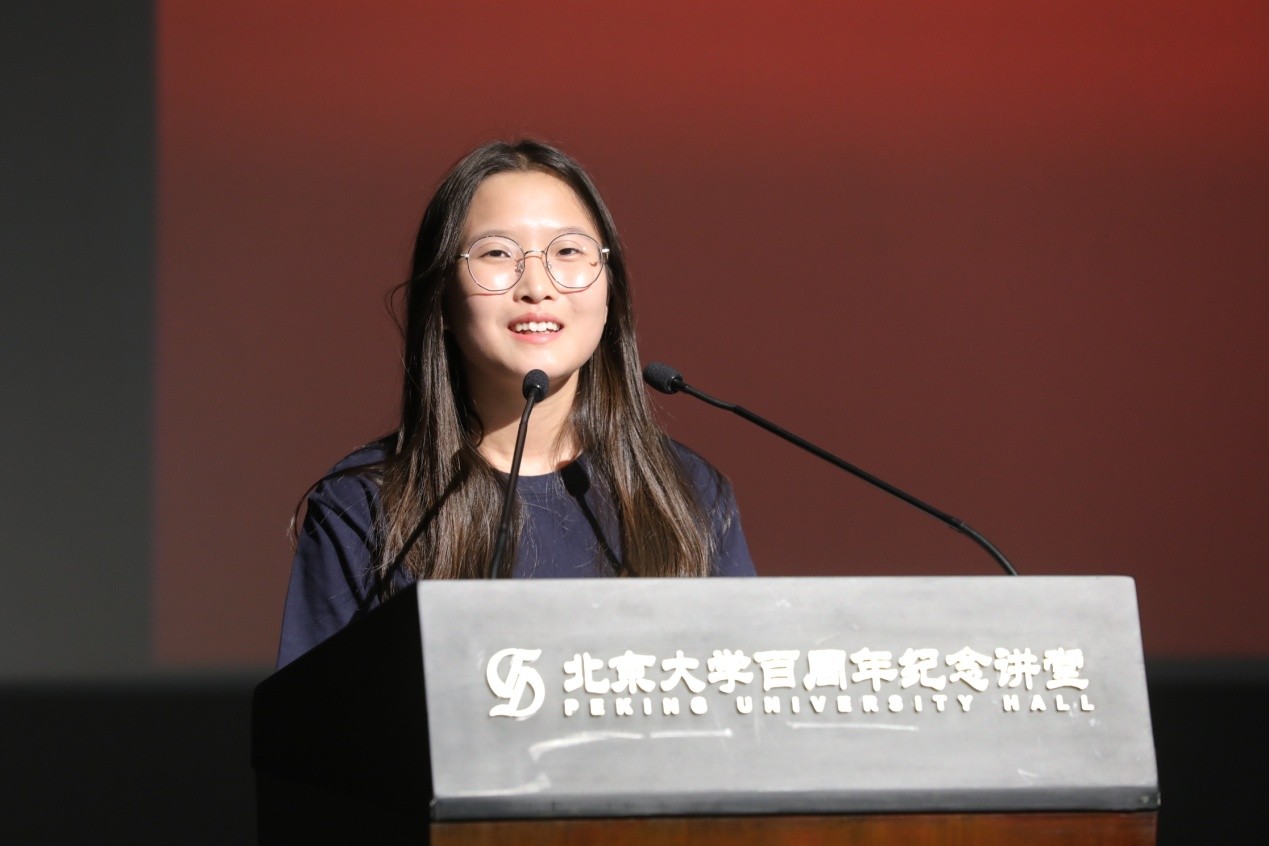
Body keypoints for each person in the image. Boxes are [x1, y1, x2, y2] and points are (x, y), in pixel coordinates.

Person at [277, 139, 755, 668]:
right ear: (442, 301)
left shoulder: (687, 495)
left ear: (610, 291)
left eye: (568, 251)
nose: (537, 286)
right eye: (497, 253)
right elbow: (313, 717)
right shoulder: (365, 507)